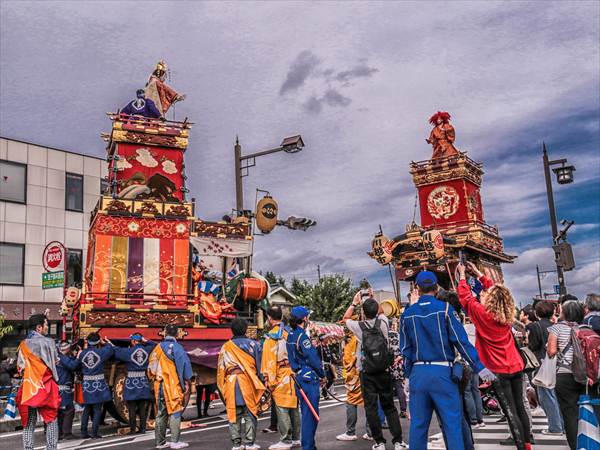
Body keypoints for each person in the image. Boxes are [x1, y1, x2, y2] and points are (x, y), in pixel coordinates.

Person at [402, 271, 494, 450]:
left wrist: (407, 375)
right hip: (443, 371)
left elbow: (406, 348)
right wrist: (480, 367)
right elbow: (461, 342)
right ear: (436, 288)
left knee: (418, 427)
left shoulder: (408, 314)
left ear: (417, 288)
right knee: (452, 425)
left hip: (418, 373)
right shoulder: (445, 309)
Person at [457, 262, 531, 450]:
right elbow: (498, 292)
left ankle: (521, 447)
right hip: (516, 365)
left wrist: (463, 276)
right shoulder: (506, 314)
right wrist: (479, 274)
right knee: (520, 408)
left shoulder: (483, 315)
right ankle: (527, 444)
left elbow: (465, 297)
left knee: (510, 411)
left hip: (498, 369)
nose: (483, 294)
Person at [343, 296, 408, 450]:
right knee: (389, 407)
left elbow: (345, 318)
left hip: (367, 372)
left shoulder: (359, 327)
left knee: (371, 408)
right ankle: (398, 441)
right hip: (384, 370)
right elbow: (381, 311)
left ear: (363, 313)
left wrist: (354, 303)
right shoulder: (383, 322)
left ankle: (379, 442)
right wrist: (372, 298)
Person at [217, 318, 265, 450]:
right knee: (250, 413)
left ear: (231, 330)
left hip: (231, 383)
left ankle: (236, 444)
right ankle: (250, 443)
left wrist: (221, 387)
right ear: (245, 329)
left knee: (233, 414)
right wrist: (261, 382)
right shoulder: (254, 345)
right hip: (248, 381)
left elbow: (221, 370)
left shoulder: (226, 347)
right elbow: (260, 367)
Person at [16, 314, 61, 450]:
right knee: (51, 419)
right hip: (46, 385)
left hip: (29, 386)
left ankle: (28, 448)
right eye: (46, 325)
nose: (47, 327)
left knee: (29, 422)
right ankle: (51, 448)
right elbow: (55, 362)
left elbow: (20, 367)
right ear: (39, 327)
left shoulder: (23, 344)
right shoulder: (49, 342)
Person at [547, 300, 585, 450]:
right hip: (585, 375)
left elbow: (551, 352)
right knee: (587, 409)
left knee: (570, 414)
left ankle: (576, 446)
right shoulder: (585, 328)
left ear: (565, 312)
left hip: (565, 374)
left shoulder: (556, 328)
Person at [261, 306, 300, 450]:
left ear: (269, 318)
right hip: (294, 373)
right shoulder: (289, 332)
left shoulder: (271, 336)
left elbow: (269, 360)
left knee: (282, 407)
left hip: (280, 374)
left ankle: (286, 440)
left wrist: (269, 380)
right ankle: (296, 438)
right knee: (294, 407)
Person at [148, 324, 192, 449]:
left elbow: (150, 368)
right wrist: (186, 381)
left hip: (159, 384)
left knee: (160, 413)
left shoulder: (157, 348)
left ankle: (160, 442)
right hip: (172, 384)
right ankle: (175, 441)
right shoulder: (177, 348)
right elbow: (185, 366)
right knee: (175, 411)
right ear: (177, 334)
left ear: (164, 333)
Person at [286, 306, 324, 450]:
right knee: (310, 417)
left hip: (299, 377)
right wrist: (322, 374)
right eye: (307, 316)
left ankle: (310, 446)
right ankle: (308, 447)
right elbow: (313, 358)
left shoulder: (290, 335)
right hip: (308, 378)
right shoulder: (302, 336)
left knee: (307, 414)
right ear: (304, 319)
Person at [527, 300, 564, 435]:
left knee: (546, 397)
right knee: (555, 396)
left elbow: (533, 346)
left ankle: (555, 427)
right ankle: (561, 424)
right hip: (557, 364)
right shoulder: (556, 326)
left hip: (542, 364)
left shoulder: (534, 326)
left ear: (537, 313)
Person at [110, 333, 156, 434]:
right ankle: (143, 429)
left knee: (131, 407)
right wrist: (146, 340)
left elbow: (116, 350)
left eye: (132, 340)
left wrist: (107, 343)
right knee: (142, 407)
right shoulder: (147, 350)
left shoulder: (128, 352)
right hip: (143, 381)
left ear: (134, 341)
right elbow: (155, 345)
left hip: (131, 383)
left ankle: (133, 429)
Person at [336, 331, 375, 442]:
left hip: (356, 376)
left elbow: (349, 362)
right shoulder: (366, 334)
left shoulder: (352, 341)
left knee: (351, 402)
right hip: (369, 373)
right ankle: (371, 432)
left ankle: (350, 432)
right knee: (369, 402)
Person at [77, 332, 114, 439]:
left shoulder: (82, 354)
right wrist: (104, 342)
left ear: (88, 341)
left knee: (87, 408)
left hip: (87, 384)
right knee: (97, 409)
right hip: (98, 384)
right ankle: (94, 433)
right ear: (98, 341)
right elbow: (111, 349)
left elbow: (77, 364)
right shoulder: (101, 352)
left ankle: (83, 432)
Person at [56, 341, 79, 440]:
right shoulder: (63, 358)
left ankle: (60, 433)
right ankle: (66, 433)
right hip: (64, 388)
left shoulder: (58, 357)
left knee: (61, 412)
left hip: (59, 388)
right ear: (66, 349)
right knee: (69, 410)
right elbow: (72, 366)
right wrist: (78, 357)